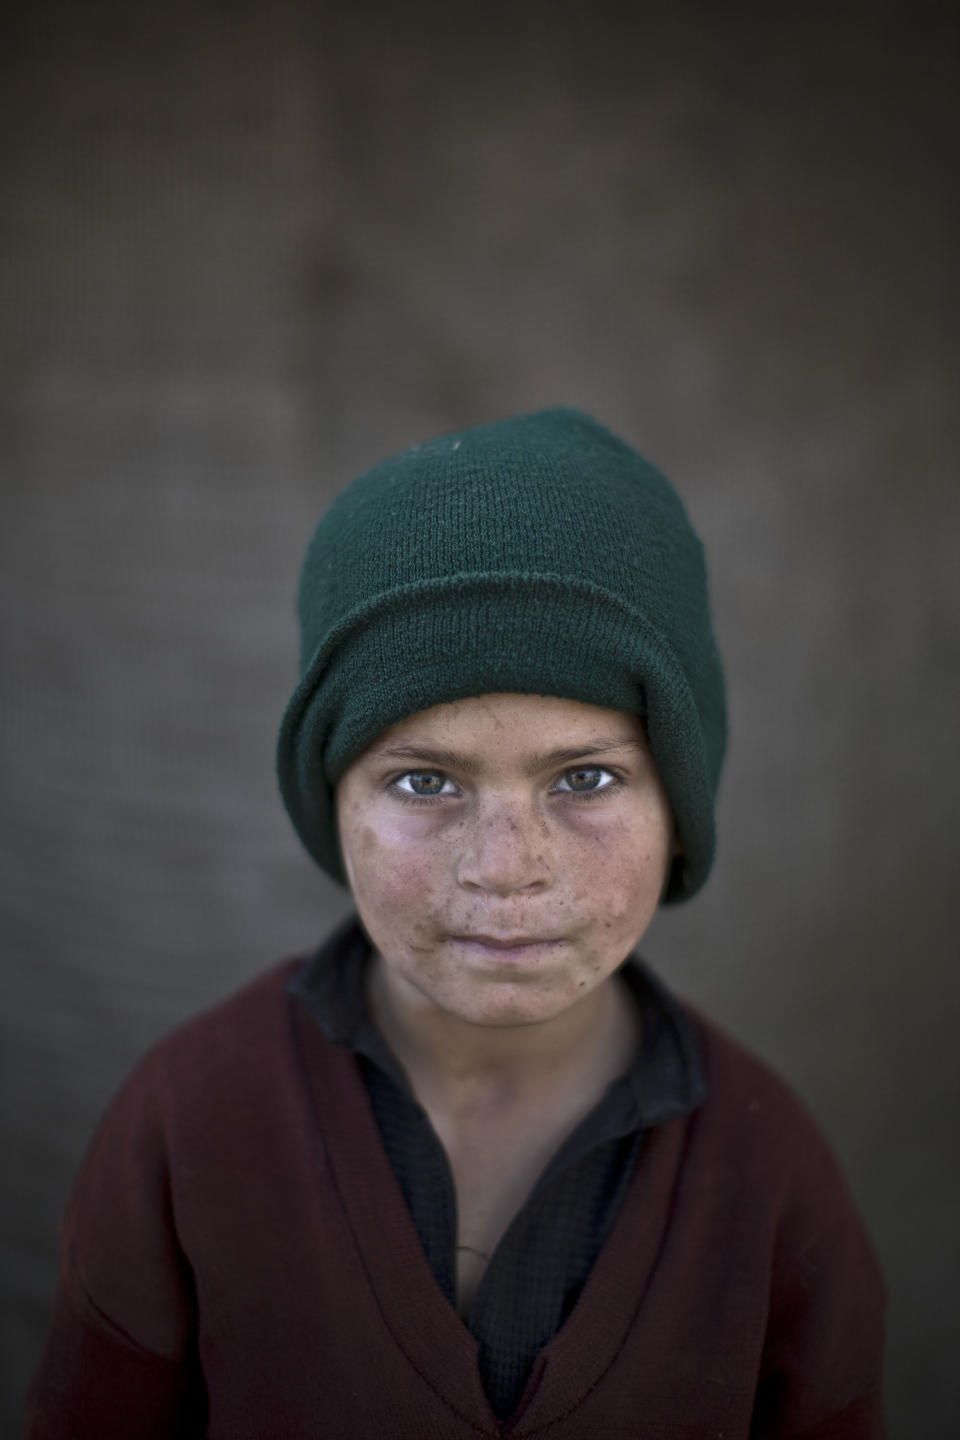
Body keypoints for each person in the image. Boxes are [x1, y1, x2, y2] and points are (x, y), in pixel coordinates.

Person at [26, 408, 887, 1438]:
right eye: (425, 780)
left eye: (587, 776)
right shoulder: (190, 1128)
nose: (506, 867)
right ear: (329, 796)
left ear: (680, 805)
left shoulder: (768, 1178)